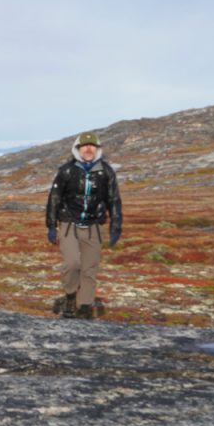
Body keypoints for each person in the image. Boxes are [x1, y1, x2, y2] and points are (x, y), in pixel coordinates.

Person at [45, 131, 122, 319]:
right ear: (78, 149)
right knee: (72, 264)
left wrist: (115, 227)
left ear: (97, 149)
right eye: (84, 146)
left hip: (94, 226)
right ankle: (70, 296)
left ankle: (85, 306)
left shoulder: (106, 171)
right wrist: (51, 226)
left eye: (92, 146)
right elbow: (54, 198)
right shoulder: (67, 170)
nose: (88, 149)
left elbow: (114, 200)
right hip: (69, 224)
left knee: (90, 269)